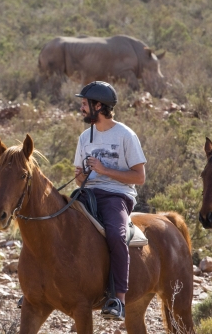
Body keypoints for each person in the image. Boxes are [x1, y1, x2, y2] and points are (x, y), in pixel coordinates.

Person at [73, 81, 146, 322]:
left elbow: (139, 177)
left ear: (99, 106)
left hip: (117, 195)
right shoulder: (85, 136)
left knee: (115, 235)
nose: (81, 108)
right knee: (55, 222)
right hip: (88, 193)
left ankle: (118, 299)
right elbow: (78, 176)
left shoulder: (126, 135)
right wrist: (82, 175)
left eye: (85, 104)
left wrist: (104, 170)